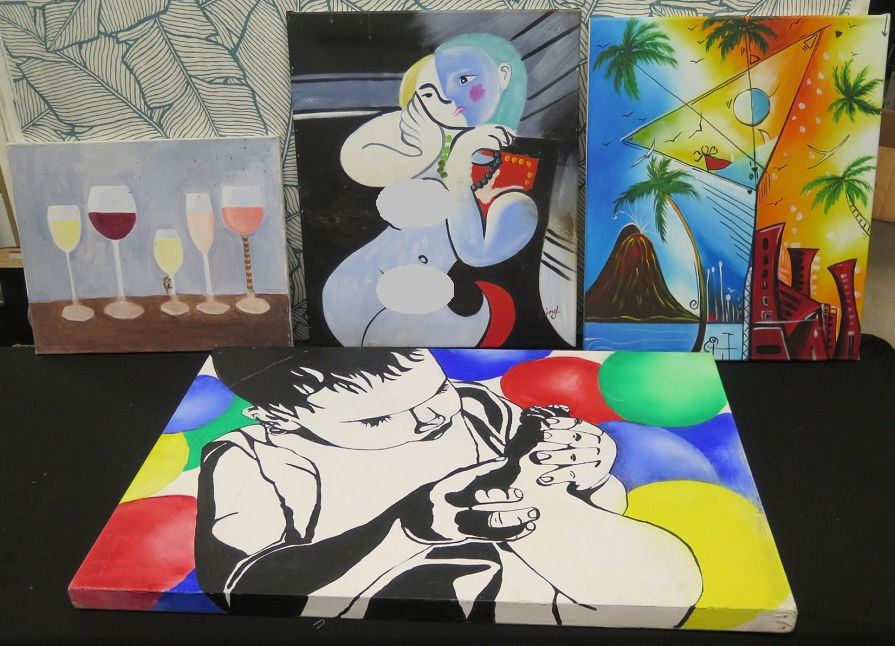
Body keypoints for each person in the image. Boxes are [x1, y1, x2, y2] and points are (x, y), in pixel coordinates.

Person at [196, 348, 702, 625]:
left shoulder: (475, 407)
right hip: (376, 614)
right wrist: (409, 528)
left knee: (654, 584)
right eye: (378, 420)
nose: (430, 418)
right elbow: (242, 590)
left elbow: (590, 502)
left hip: (532, 600)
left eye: (435, 390)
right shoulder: (253, 459)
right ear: (279, 419)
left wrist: (582, 466)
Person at [322, 34, 540, 347]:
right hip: (354, 292)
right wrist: (446, 159)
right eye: (428, 93)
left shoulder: (514, 179)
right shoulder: (424, 147)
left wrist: (461, 167)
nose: (448, 99)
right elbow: (358, 162)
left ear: (502, 77)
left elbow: (473, 251)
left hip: (429, 317)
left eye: (463, 80)